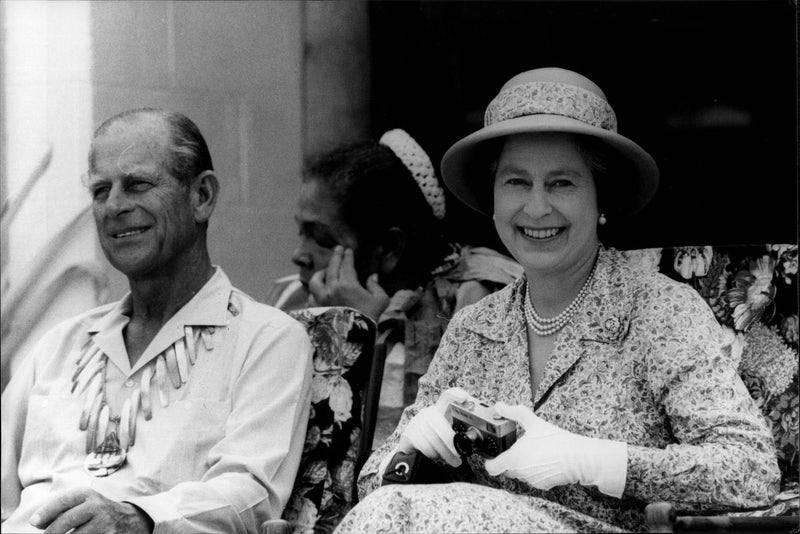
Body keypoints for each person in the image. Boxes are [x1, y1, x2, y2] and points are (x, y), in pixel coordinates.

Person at [338, 68, 781, 533]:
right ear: (492, 199)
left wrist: (594, 461)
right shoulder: (474, 327)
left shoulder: (659, 311)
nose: (535, 208)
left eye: (561, 183)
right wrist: (412, 445)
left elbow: (750, 469)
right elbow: (375, 491)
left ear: (600, 198)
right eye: (516, 182)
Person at [1, 109, 313, 533]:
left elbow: (249, 493)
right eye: (99, 190)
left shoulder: (267, 340)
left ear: (201, 196)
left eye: (138, 184)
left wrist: (139, 519)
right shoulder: (58, 346)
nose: (114, 206)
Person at [267, 129, 522, 407]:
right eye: (301, 232)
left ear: (389, 247)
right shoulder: (289, 299)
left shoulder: (480, 302)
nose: (299, 255)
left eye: (321, 238)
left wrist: (356, 329)